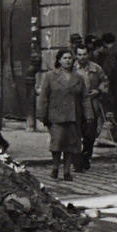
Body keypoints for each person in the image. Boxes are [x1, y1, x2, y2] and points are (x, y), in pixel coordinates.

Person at [37, 48, 90, 181]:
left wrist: (88, 114)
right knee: (57, 143)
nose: (68, 61)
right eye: (65, 58)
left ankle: (67, 171)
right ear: (59, 60)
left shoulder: (78, 77)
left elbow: (84, 97)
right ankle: (55, 167)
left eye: (70, 58)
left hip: (73, 116)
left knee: (71, 144)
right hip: (56, 116)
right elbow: (44, 97)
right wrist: (42, 115)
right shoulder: (50, 76)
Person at [73, 44, 108, 171]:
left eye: (84, 54)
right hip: (76, 105)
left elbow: (104, 81)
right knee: (76, 134)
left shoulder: (95, 68)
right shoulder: (72, 68)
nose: (82, 57)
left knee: (90, 134)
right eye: (79, 54)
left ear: (88, 55)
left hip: (91, 105)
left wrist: (98, 91)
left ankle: (86, 157)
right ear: (76, 55)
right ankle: (76, 160)